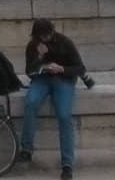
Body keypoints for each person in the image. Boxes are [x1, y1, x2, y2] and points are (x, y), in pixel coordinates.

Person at [17, 17, 84, 180]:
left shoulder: (64, 42)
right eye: (40, 36)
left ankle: (67, 164)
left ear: (51, 32)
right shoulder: (33, 45)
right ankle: (27, 149)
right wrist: (40, 58)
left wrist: (61, 69)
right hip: (42, 79)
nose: (44, 39)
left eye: (46, 35)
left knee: (63, 115)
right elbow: (29, 71)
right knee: (31, 103)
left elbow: (80, 68)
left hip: (64, 80)